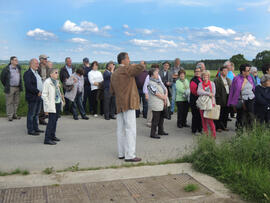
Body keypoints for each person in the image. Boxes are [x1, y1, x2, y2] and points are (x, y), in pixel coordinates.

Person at [110, 52, 144, 162]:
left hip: (119, 103)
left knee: (120, 129)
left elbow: (111, 90)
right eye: (128, 58)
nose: (129, 60)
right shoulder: (126, 69)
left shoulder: (114, 73)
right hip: (129, 102)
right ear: (123, 60)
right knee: (130, 129)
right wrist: (140, 64)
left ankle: (121, 153)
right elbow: (140, 68)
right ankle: (130, 155)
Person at [228, 64, 255, 129]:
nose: (249, 72)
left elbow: (253, 88)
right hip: (241, 100)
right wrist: (231, 102)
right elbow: (234, 90)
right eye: (248, 70)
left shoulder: (250, 77)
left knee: (251, 115)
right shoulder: (237, 79)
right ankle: (239, 130)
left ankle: (250, 130)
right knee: (241, 116)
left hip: (251, 99)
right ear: (243, 71)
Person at [42, 68, 64, 145]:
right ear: (51, 74)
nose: (57, 74)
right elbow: (44, 95)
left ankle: (52, 135)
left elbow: (57, 92)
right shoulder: (47, 82)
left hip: (57, 103)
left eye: (57, 73)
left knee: (55, 121)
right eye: (56, 73)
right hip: (52, 104)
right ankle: (47, 139)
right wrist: (47, 106)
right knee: (51, 122)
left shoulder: (56, 82)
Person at [23, 59, 44, 136]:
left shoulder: (36, 73)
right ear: (31, 64)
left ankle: (36, 128)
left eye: (38, 64)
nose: (37, 65)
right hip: (33, 97)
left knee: (36, 114)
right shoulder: (28, 73)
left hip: (39, 96)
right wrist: (37, 92)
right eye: (35, 64)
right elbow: (28, 86)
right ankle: (30, 130)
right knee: (31, 114)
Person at [147, 67, 169, 139]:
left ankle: (160, 131)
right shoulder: (150, 83)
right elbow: (155, 93)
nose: (157, 74)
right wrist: (164, 98)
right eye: (156, 73)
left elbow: (165, 89)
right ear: (152, 75)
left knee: (161, 118)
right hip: (156, 103)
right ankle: (153, 133)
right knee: (155, 119)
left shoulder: (158, 81)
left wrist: (165, 96)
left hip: (162, 102)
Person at [0, 56, 23, 121]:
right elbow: (2, 78)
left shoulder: (18, 67)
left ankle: (14, 115)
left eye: (17, 60)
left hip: (17, 87)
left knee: (16, 102)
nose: (17, 61)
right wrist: (7, 85)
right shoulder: (6, 69)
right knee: (9, 102)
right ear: (11, 61)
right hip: (10, 87)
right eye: (15, 60)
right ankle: (10, 116)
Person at [197, 70, 216, 138]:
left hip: (210, 103)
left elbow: (213, 94)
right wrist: (207, 93)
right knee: (203, 120)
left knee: (210, 120)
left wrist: (203, 92)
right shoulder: (200, 84)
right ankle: (206, 134)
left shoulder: (212, 83)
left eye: (207, 76)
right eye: (204, 76)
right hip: (202, 104)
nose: (205, 77)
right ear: (202, 77)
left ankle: (213, 135)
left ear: (209, 76)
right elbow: (198, 92)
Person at [214, 66, 231, 132]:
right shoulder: (217, 80)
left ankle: (224, 126)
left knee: (225, 113)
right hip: (220, 98)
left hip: (227, 98)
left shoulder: (228, 79)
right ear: (221, 71)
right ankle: (218, 127)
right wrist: (217, 99)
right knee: (219, 114)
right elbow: (216, 91)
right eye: (224, 71)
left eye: (227, 71)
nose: (226, 72)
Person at [190, 66, 203, 134]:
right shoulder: (193, 80)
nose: (198, 73)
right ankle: (194, 130)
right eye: (196, 71)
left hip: (200, 100)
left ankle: (200, 129)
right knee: (195, 115)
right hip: (194, 100)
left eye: (199, 71)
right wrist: (203, 93)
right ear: (194, 73)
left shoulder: (201, 79)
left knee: (200, 115)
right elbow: (194, 91)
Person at [38, 54, 50, 125]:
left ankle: (42, 118)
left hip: (46, 87)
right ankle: (38, 118)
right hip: (39, 88)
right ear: (41, 60)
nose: (46, 60)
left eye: (46, 59)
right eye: (45, 59)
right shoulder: (37, 67)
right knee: (39, 104)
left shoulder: (47, 67)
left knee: (44, 103)